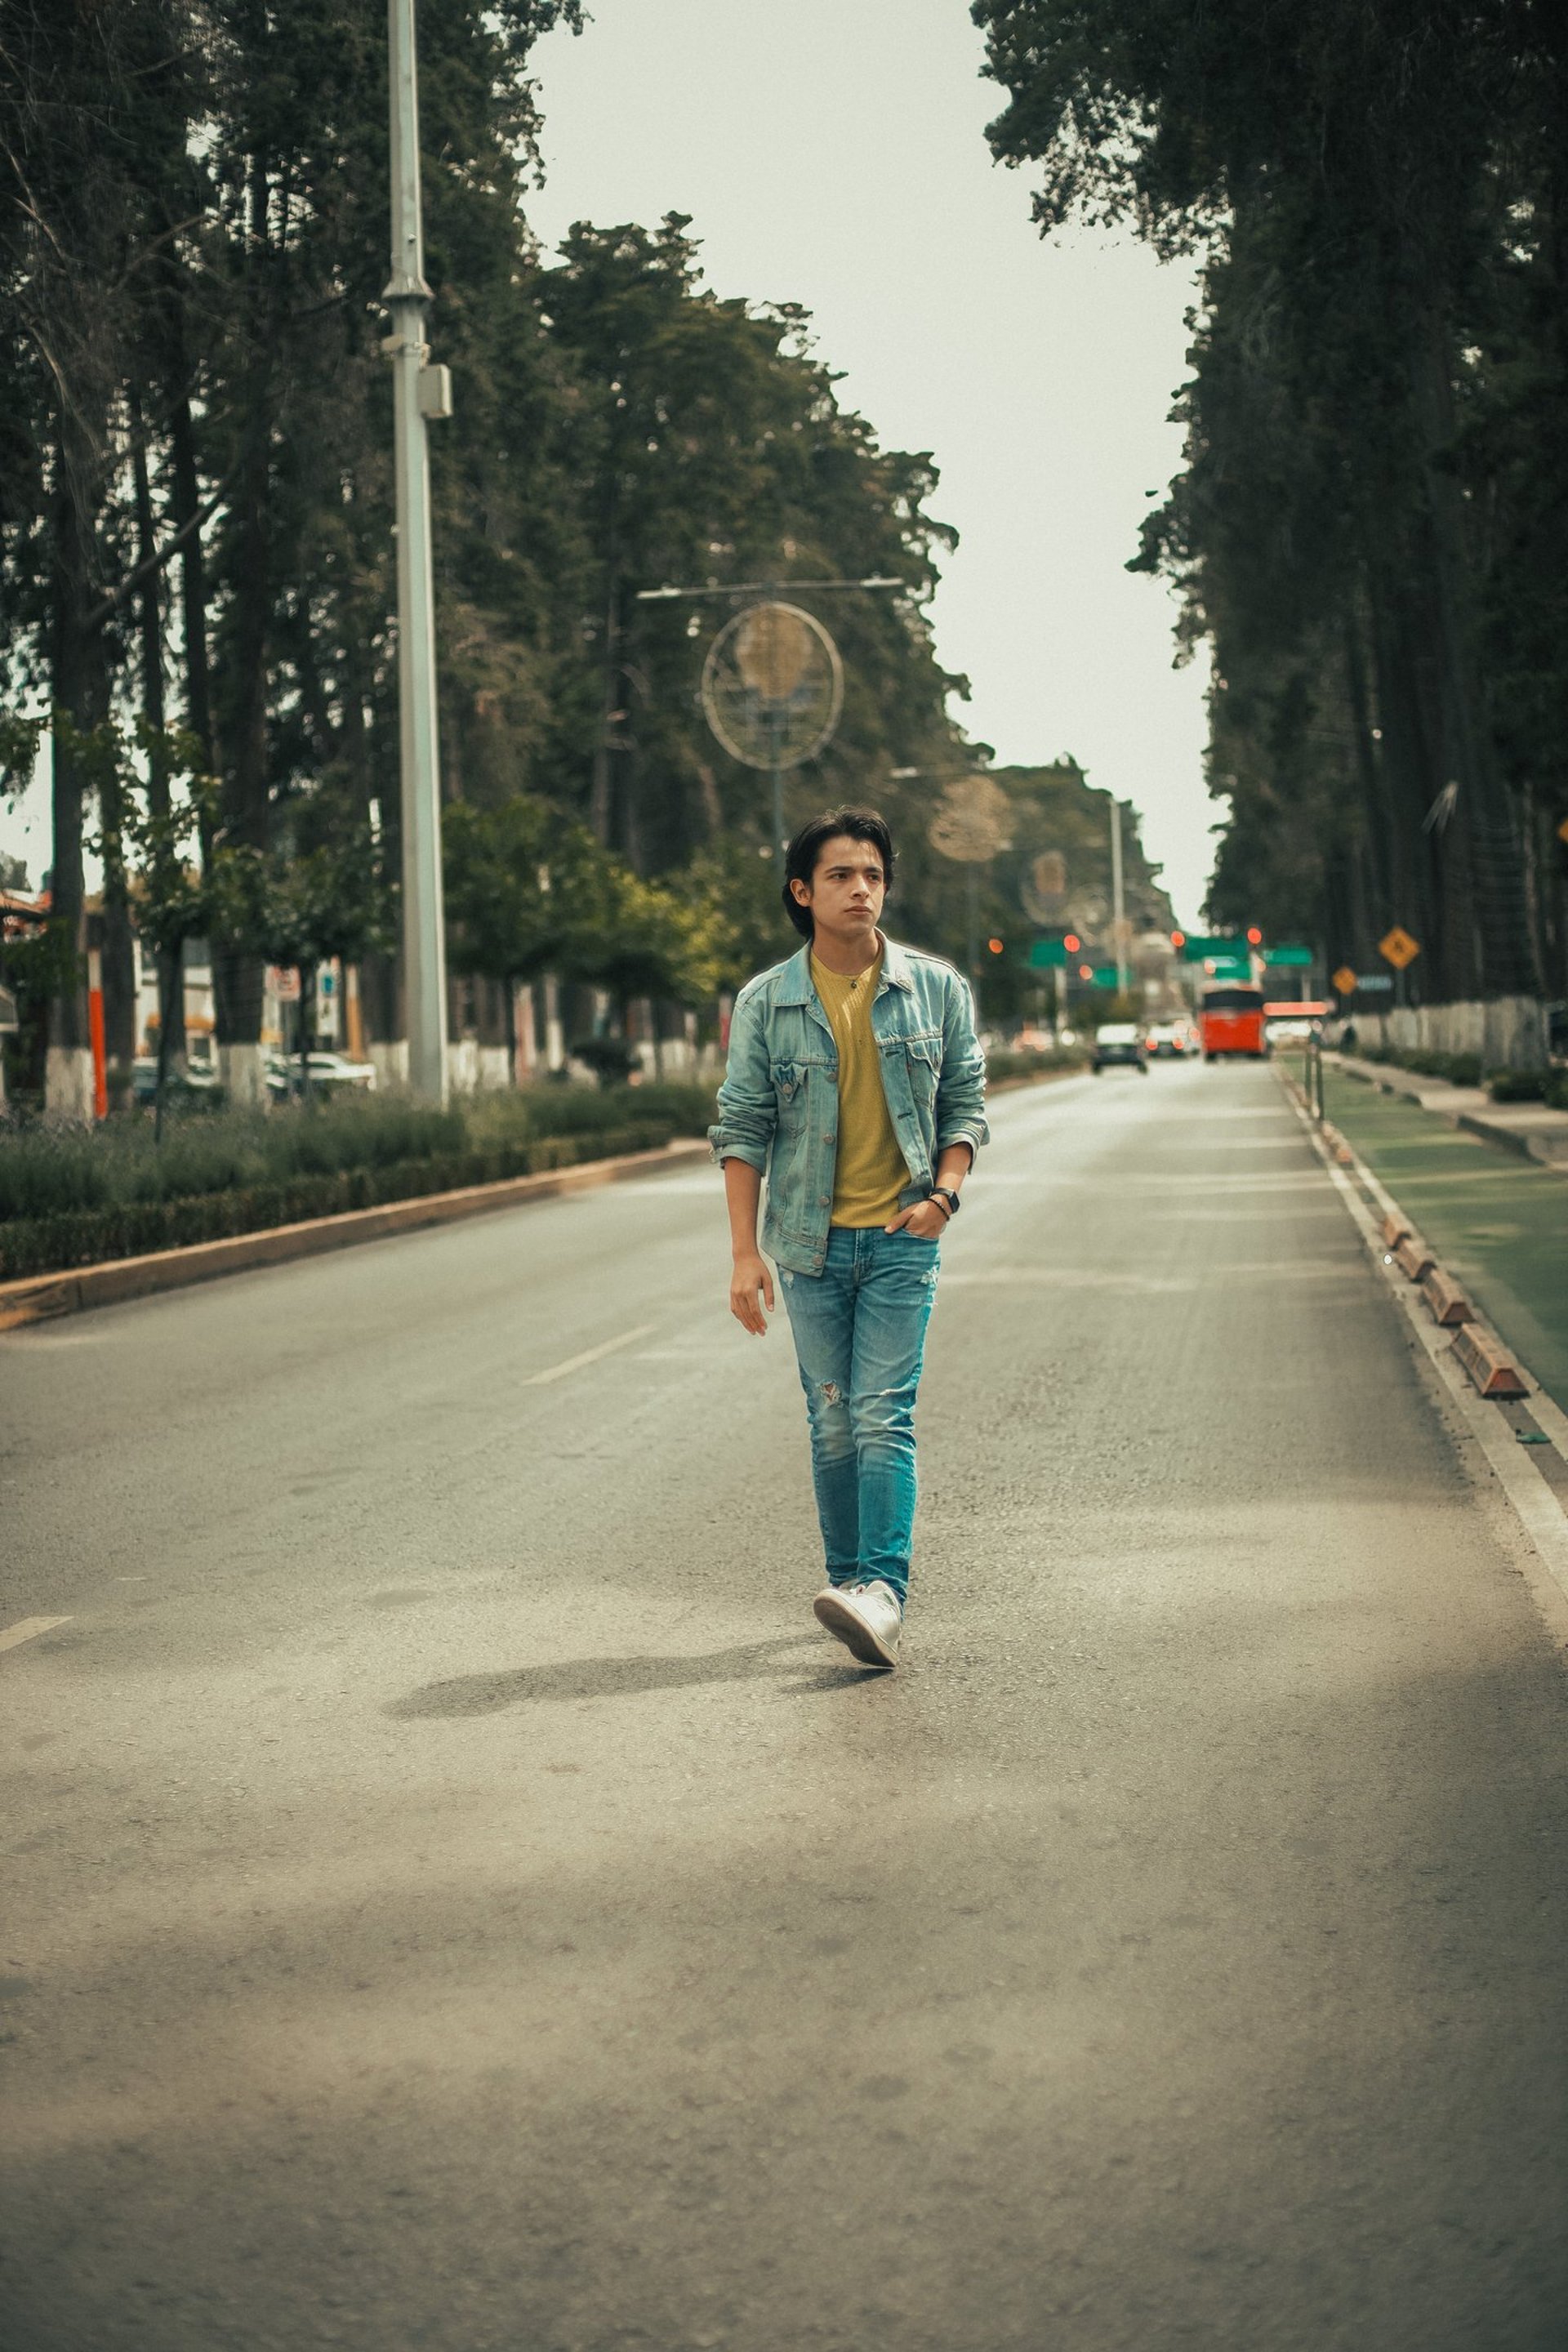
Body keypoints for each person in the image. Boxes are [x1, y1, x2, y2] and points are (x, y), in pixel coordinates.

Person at [710, 808, 987, 1668]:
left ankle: (883, 1591)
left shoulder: (936, 988)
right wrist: (744, 1253)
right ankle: (853, 1587)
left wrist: (944, 1196)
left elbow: (965, 1106)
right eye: (840, 875)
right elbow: (743, 1126)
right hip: (810, 1247)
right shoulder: (767, 1001)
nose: (861, 888)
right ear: (803, 892)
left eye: (872, 874)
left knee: (880, 1414)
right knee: (831, 1422)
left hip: (905, 1234)